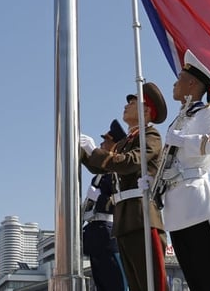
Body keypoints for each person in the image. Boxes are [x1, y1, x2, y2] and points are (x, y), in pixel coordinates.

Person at [156, 50, 210, 291]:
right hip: (175, 212)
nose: (174, 83)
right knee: (196, 283)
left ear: (192, 83)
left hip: (199, 205)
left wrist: (186, 141)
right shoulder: (179, 120)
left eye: (179, 78)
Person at [82, 83, 169, 291]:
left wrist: (94, 152)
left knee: (151, 282)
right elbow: (104, 168)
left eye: (132, 103)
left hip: (142, 216)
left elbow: (132, 162)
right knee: (136, 284)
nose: (126, 106)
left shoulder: (151, 135)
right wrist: (83, 153)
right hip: (124, 220)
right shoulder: (124, 143)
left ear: (146, 110)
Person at [80, 119, 129, 291]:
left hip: (109, 234)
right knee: (101, 284)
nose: (102, 144)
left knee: (116, 284)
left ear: (116, 146)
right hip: (96, 236)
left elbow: (121, 204)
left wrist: (99, 199)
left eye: (106, 141)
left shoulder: (119, 173)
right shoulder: (101, 175)